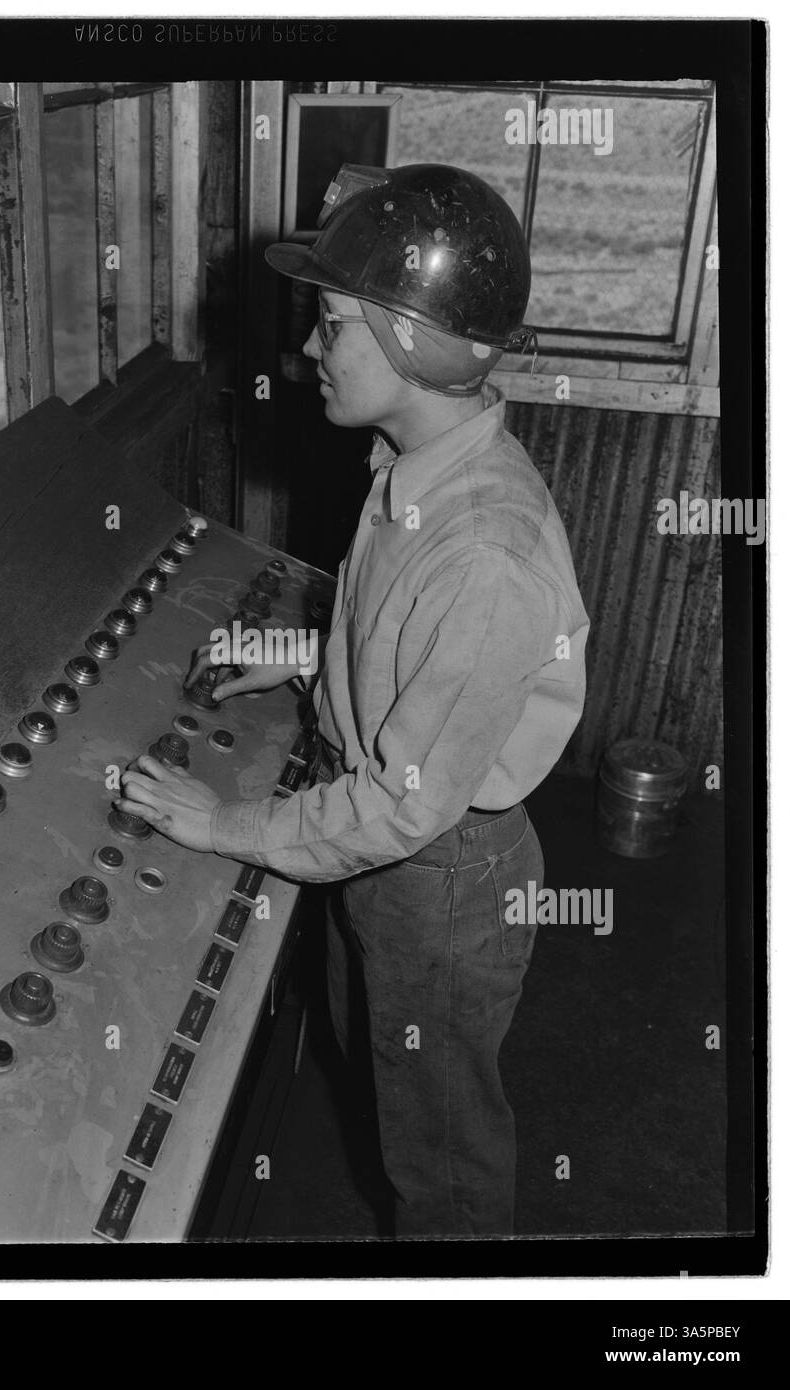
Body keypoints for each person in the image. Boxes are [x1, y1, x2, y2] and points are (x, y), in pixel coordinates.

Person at [118, 163, 589, 1238]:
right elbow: (391, 637)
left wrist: (222, 821)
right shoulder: (412, 465)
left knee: (440, 1157)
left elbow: (401, 805)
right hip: (393, 855)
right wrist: (294, 652)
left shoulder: (485, 552)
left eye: (332, 326)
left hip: (440, 875)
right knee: (373, 1061)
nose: (309, 350)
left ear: (416, 346)